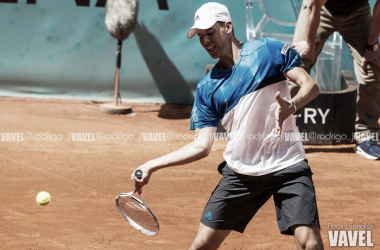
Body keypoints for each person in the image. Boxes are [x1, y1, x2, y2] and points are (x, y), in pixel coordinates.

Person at [132, 2, 324, 249]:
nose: (206, 42)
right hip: (241, 174)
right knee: (200, 247)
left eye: (210, 33)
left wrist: (292, 106)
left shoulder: (267, 51)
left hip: (288, 165)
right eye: (200, 37)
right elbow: (201, 146)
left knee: (310, 243)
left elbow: (310, 86)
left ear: (228, 26)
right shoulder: (207, 88)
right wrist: (151, 165)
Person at [292, 0, 380, 160]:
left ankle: (367, 135)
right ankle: (282, 133)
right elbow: (313, 6)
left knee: (371, 70)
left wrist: (371, 47)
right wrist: (309, 45)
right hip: (320, 9)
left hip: (358, 13)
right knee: (297, 65)